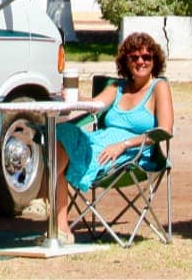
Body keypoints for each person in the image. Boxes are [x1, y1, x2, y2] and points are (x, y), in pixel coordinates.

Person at [51, 31, 175, 242]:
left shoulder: (159, 87)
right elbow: (93, 105)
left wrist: (123, 145)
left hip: (134, 152)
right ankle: (60, 229)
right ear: (125, 61)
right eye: (134, 57)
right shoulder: (117, 87)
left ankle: (53, 220)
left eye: (147, 57)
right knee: (58, 137)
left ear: (155, 60)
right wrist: (73, 97)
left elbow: (165, 130)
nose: (141, 62)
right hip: (99, 141)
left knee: (63, 153)